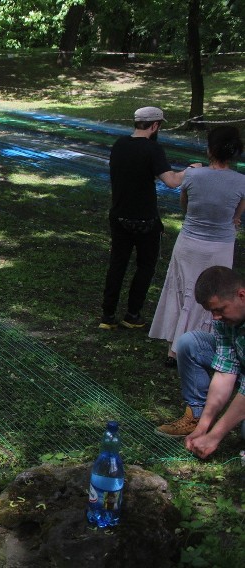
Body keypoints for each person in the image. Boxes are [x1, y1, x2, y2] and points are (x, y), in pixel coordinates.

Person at [149, 126, 245, 366]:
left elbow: (185, 207)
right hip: (220, 246)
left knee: (184, 293)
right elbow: (235, 215)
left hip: (190, 243)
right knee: (215, 293)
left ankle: (174, 350)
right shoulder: (242, 182)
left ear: (209, 149)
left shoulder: (193, 175)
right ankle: (208, 349)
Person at [99, 106, 194, 330]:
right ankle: (132, 314)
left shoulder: (119, 145)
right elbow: (171, 181)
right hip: (145, 219)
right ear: (154, 125)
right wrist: (190, 170)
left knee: (117, 265)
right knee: (145, 266)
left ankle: (107, 316)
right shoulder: (153, 149)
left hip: (119, 214)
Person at [156, 266, 245, 457]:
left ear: (241, 295)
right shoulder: (224, 319)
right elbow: (224, 371)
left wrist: (215, 435)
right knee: (190, 343)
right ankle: (195, 418)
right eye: (212, 311)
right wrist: (204, 428)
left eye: (220, 310)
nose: (216, 317)